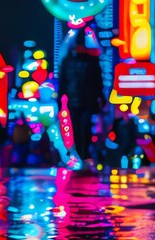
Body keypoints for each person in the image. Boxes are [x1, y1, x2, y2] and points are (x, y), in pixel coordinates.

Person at [58, 28, 104, 162]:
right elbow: (98, 81)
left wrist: (60, 99)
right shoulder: (91, 60)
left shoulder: (68, 60)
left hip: (76, 100)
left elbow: (63, 82)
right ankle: (84, 153)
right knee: (84, 127)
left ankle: (81, 153)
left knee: (79, 127)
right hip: (86, 100)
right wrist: (100, 97)